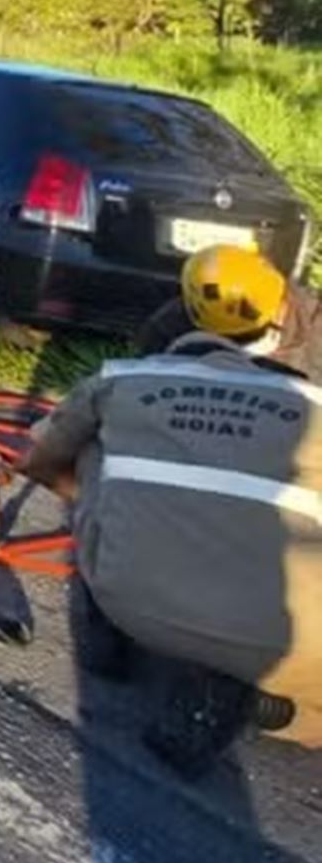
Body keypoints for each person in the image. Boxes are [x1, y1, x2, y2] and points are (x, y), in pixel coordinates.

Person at [20, 246, 322, 773]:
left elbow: (40, 458)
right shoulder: (310, 405)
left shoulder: (125, 379)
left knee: (96, 450)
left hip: (129, 599)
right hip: (289, 632)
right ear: (274, 314)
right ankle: (270, 697)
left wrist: (108, 508)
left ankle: (114, 632)